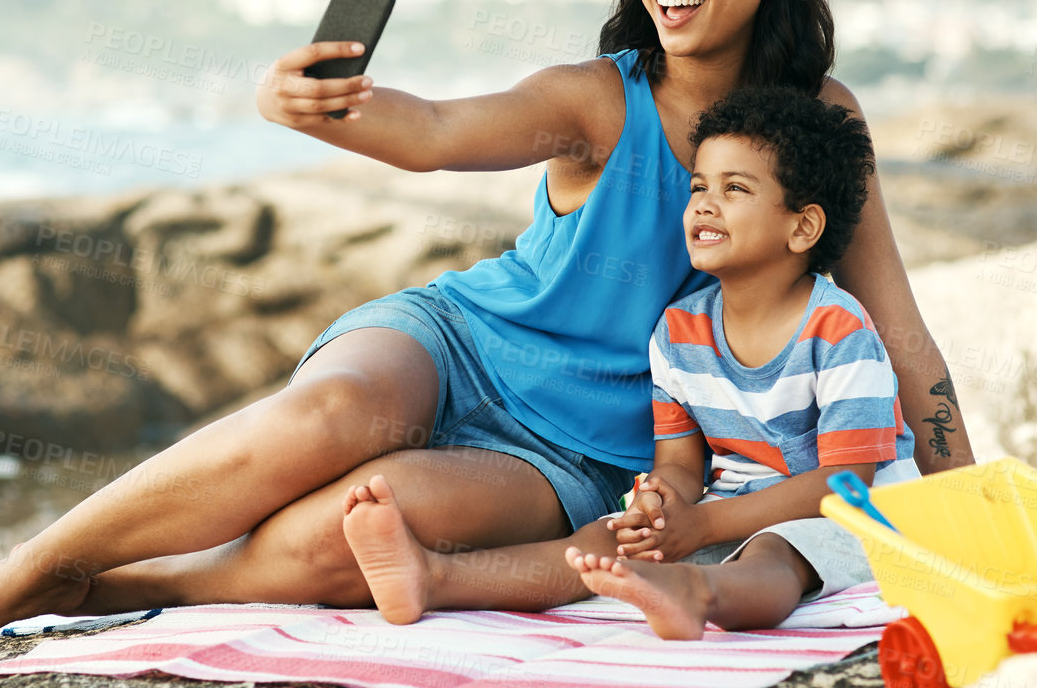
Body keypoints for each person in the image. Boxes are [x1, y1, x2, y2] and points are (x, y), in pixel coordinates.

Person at [0, 0, 976, 654]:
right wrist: (319, 104)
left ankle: (120, 586)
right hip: (461, 340)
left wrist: (964, 505)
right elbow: (437, 132)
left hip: (579, 453)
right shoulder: (598, 99)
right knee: (331, 415)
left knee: (339, 540)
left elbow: (899, 328)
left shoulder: (822, 123)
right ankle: (30, 566)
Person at [338, 85, 915, 634]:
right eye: (698, 188)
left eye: (735, 189)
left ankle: (698, 595)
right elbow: (682, 465)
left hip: (851, 511)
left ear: (803, 225)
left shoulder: (839, 329)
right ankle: (433, 578)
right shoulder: (680, 330)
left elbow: (846, 480)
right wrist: (657, 504)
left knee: (776, 550)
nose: (706, 206)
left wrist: (705, 525)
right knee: (607, 538)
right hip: (733, 502)